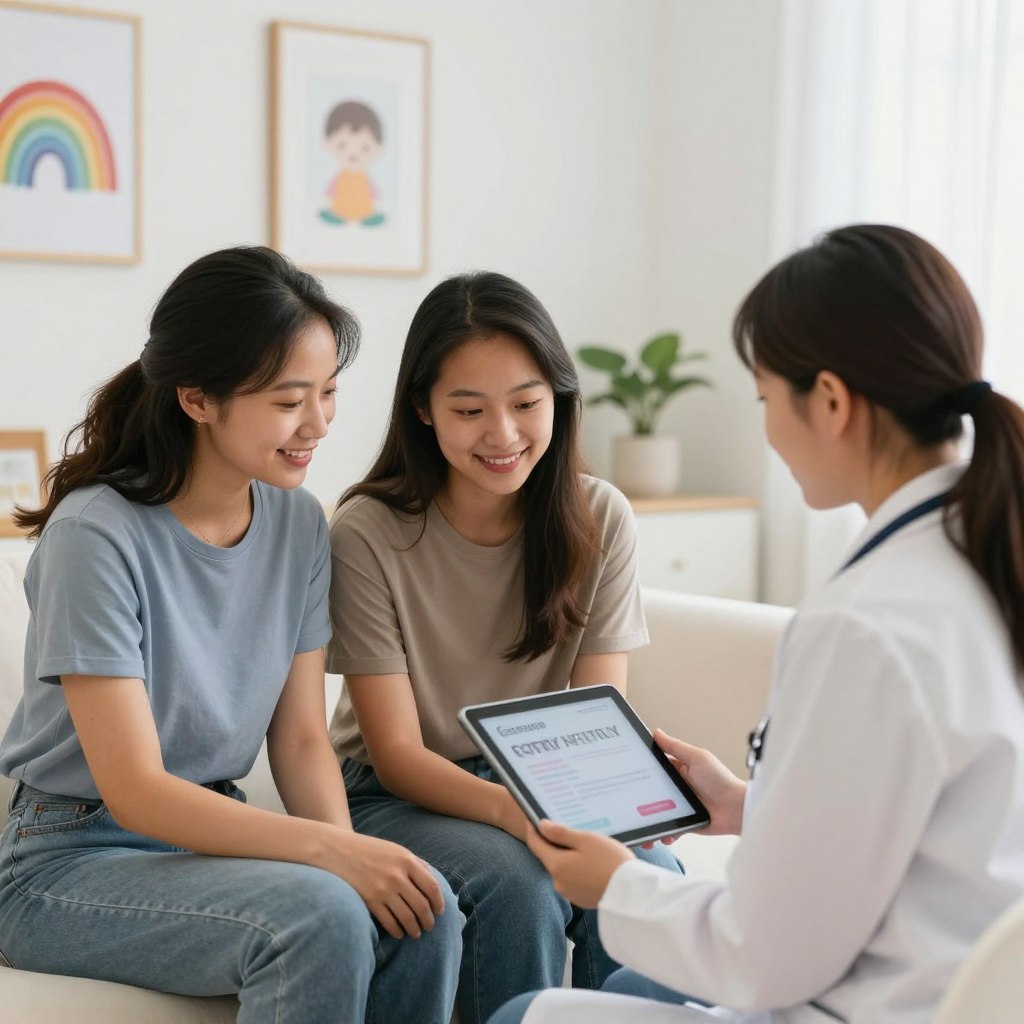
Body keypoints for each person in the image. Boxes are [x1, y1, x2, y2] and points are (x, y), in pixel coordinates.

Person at [486, 224, 1024, 1024]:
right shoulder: (989, 558)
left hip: (866, 1004)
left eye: (768, 399)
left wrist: (615, 886)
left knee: (522, 1013)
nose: (769, 428)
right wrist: (749, 803)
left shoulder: (863, 627)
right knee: (632, 991)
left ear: (832, 402)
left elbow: (766, 957)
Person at [0, 246, 462, 1024]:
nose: (316, 424)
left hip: (208, 840)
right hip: (65, 860)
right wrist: (334, 857)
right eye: (289, 401)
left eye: (329, 393)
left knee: (423, 905)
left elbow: (305, 742)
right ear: (197, 398)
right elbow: (136, 790)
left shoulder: (299, 524)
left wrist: (361, 860)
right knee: (320, 913)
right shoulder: (95, 537)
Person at [326, 270, 683, 1024]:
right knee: (517, 880)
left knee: (649, 872)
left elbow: (598, 716)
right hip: (395, 791)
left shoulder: (600, 516)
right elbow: (394, 751)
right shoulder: (368, 530)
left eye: (526, 404)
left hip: (551, 780)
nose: (504, 434)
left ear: (559, 397)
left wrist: (621, 813)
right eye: (469, 410)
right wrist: (523, 819)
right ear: (423, 410)